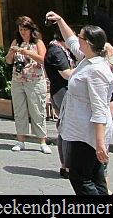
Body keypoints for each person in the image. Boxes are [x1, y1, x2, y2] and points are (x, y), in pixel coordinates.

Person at [46, 11, 113, 195]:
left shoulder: (96, 70)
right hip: (82, 129)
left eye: (81, 37)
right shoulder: (87, 59)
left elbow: (100, 108)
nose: (78, 39)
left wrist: (100, 143)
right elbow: (70, 41)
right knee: (96, 175)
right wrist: (60, 20)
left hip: (89, 133)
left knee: (80, 177)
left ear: (89, 43)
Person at [5, 16, 50, 153]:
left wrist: (29, 53)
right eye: (20, 29)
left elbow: (43, 60)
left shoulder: (38, 43)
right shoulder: (16, 42)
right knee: (20, 111)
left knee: (37, 110)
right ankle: (20, 140)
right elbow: (8, 61)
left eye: (25, 29)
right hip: (18, 81)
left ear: (31, 30)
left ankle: (42, 141)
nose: (22, 32)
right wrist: (11, 52)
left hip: (35, 81)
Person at [44, 27, 76, 177]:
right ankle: (67, 165)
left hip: (58, 92)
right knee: (67, 129)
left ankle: (66, 165)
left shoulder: (56, 49)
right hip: (62, 92)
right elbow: (66, 74)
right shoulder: (57, 51)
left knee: (63, 128)